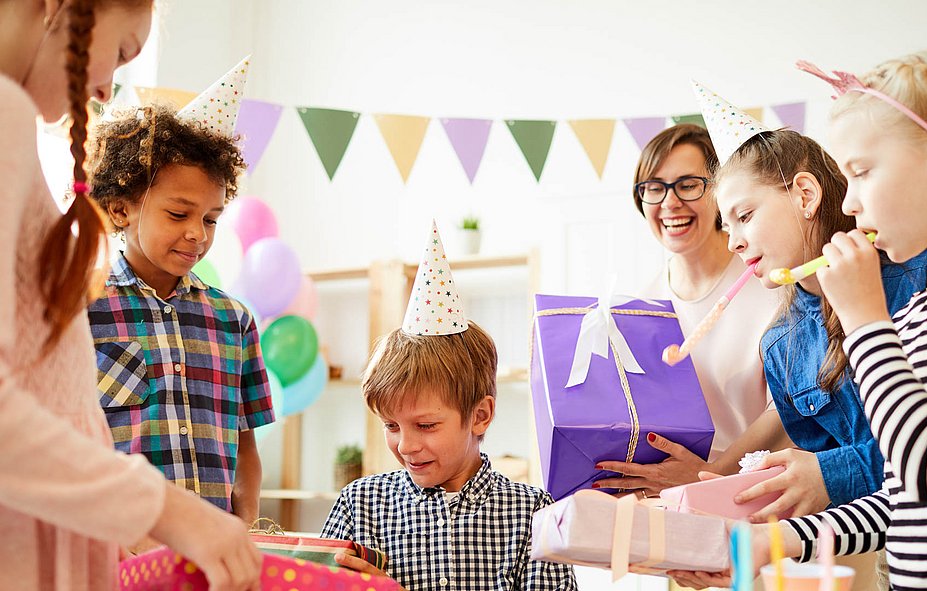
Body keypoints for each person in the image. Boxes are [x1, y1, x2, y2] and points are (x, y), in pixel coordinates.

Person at [671, 49, 927, 591]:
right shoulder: (926, 308)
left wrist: (866, 321)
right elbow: (900, 496)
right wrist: (768, 542)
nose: (847, 203)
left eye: (863, 173)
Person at [0, 1, 261, 588]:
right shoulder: (4, 117)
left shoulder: (229, 319)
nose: (106, 86)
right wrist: (167, 512)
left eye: (212, 217)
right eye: (119, 51)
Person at [714, 125, 927, 591]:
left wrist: (830, 476)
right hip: (896, 563)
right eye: (726, 226)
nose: (732, 241)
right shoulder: (781, 347)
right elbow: (853, 502)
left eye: (745, 215)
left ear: (805, 195)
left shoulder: (921, 277)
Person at [321, 224, 577, 590]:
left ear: (480, 416)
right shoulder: (359, 506)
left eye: (425, 426)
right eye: (391, 425)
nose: (406, 446)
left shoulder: (532, 514)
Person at [87, 100, 273, 522]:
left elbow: (246, 450)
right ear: (121, 210)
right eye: (178, 213)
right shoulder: (83, 312)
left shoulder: (234, 321)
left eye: (210, 219)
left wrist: (241, 531)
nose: (196, 234)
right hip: (120, 549)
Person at [594, 124, 790, 496]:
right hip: (675, 500)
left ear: (720, 191)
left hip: (761, 494)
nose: (669, 203)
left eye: (687, 185)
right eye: (654, 187)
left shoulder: (771, 283)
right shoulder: (640, 308)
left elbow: (785, 409)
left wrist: (710, 476)